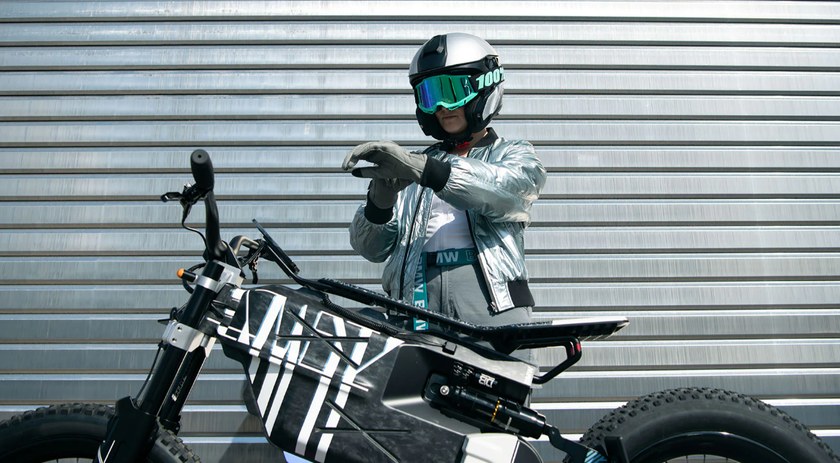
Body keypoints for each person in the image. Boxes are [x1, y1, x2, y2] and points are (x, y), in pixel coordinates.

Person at [342, 33, 546, 362]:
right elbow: (372, 249)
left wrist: (428, 171)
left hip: (490, 303)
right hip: (417, 301)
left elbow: (506, 192)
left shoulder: (513, 154)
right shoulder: (413, 166)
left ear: (484, 88)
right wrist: (379, 203)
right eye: (429, 95)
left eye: (451, 91)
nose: (441, 106)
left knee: (502, 390)